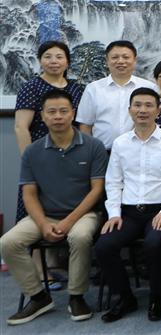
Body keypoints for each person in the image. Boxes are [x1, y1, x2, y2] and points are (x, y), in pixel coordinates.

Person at [1, 90, 106, 325]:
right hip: (44, 215)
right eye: (52, 112)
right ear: (43, 116)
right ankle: (38, 297)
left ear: (73, 114)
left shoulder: (93, 146)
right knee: (8, 242)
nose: (58, 116)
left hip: (84, 214)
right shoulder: (32, 151)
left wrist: (69, 221)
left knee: (79, 237)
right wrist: (42, 224)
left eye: (63, 111)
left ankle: (77, 296)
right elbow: (29, 194)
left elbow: (97, 190)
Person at [95, 87, 161, 323]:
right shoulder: (120, 143)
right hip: (128, 212)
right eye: (137, 105)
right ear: (130, 110)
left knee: (154, 243)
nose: (142, 110)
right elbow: (113, 182)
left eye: (148, 105)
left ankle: (157, 297)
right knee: (104, 246)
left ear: (158, 110)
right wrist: (113, 214)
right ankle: (125, 297)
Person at [13, 41, 87, 289]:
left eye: (59, 56)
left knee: (63, 206)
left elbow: (82, 124)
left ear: (67, 61)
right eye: (48, 56)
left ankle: (55, 264)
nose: (53, 61)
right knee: (36, 207)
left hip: (71, 155)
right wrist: (30, 161)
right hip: (41, 155)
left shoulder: (76, 88)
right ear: (40, 60)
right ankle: (40, 268)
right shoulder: (32, 87)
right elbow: (21, 127)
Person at [77, 40, 157, 149]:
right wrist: (90, 151)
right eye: (115, 57)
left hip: (139, 151)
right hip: (102, 152)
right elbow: (85, 125)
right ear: (107, 61)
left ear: (134, 61)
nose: (120, 61)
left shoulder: (149, 88)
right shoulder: (93, 89)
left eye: (126, 57)